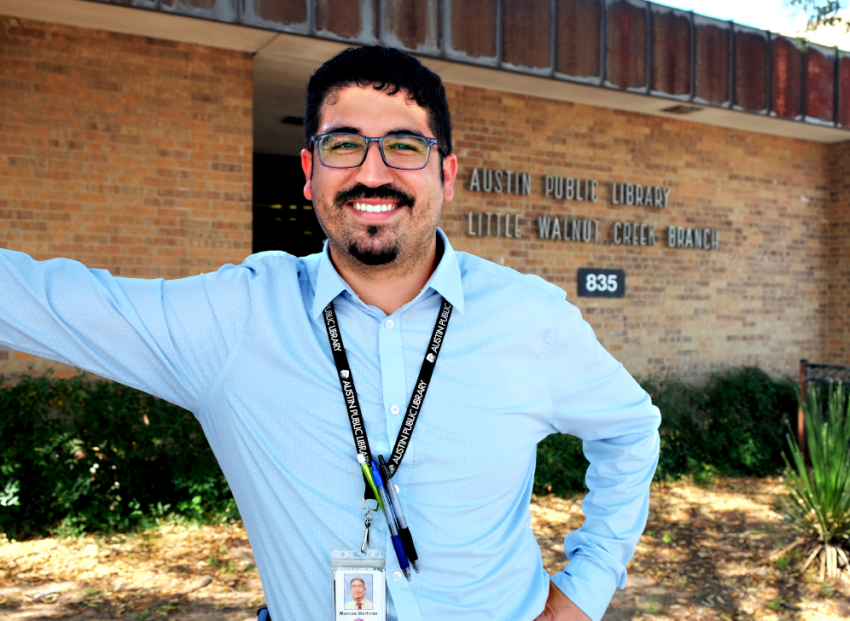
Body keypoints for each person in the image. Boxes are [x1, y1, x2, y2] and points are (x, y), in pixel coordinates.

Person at [0, 46, 660, 620]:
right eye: (344, 144)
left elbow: (630, 428)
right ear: (310, 172)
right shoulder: (239, 319)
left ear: (447, 175)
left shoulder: (530, 317)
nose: (373, 173)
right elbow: (44, 300)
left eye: (405, 145)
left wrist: (586, 588)